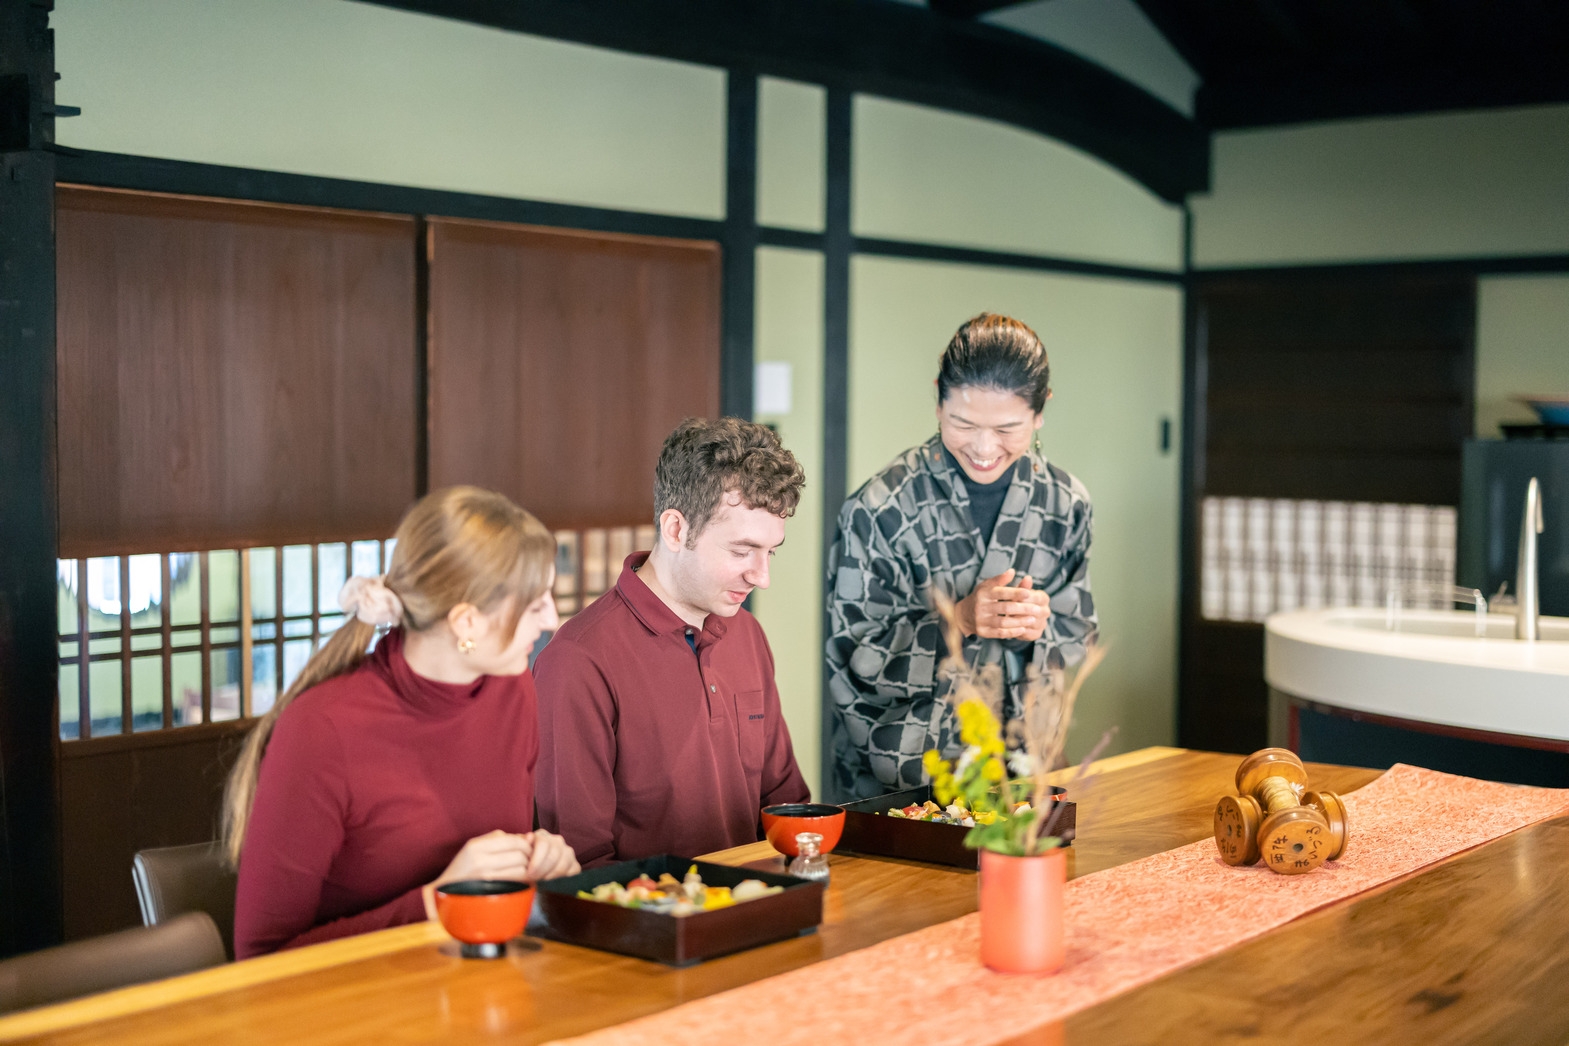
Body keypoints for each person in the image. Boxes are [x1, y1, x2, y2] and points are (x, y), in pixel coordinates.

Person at [226, 487, 581, 958]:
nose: (553, 619)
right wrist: (438, 901)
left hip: (477, 984)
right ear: (467, 622)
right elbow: (260, 956)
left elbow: (498, 884)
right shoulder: (321, 731)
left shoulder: (511, 692)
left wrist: (539, 863)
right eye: (535, 605)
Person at [827, 313, 1097, 800]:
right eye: (963, 423)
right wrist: (960, 620)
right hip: (907, 778)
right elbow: (853, 655)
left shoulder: (1064, 503)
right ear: (938, 399)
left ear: (1040, 412)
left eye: (1008, 428)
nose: (985, 448)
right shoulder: (881, 507)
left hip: (1020, 768)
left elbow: (1076, 633)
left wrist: (1034, 629)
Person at [534, 417, 811, 867]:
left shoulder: (747, 634)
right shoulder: (577, 661)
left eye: (770, 551)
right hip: (648, 925)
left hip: (760, 907)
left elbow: (785, 807)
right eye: (741, 552)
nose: (762, 577)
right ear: (676, 530)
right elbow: (578, 863)